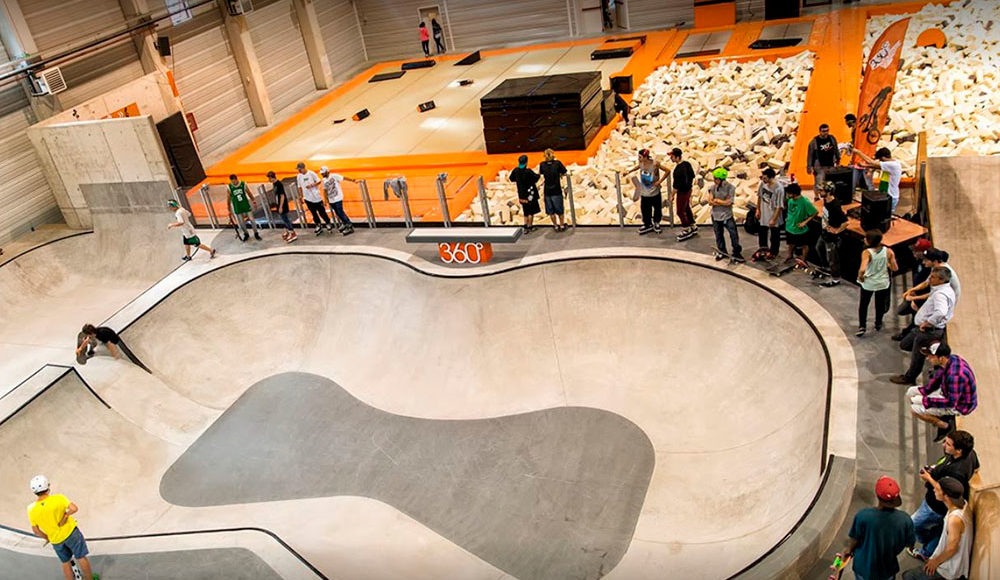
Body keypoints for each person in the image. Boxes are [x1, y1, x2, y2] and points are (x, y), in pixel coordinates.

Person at [907, 430, 979, 561]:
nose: (943, 444)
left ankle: (925, 550)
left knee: (913, 525)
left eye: (948, 444)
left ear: (959, 450)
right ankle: (930, 547)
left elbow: (944, 491)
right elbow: (976, 468)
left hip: (935, 506)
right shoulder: (971, 454)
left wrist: (928, 478)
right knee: (939, 529)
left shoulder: (957, 472)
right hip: (939, 505)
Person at [842, 475, 916, 580]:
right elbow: (910, 544)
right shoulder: (905, 520)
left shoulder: (863, 516)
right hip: (887, 570)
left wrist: (848, 550)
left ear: (878, 496)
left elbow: (854, 539)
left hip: (863, 568)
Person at [891, 267, 956, 385]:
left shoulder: (940, 295)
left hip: (929, 331)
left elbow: (941, 312)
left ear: (941, 280)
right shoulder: (944, 289)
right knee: (905, 344)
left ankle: (909, 378)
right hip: (923, 329)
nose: (929, 278)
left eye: (933, 277)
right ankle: (928, 353)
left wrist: (928, 322)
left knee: (917, 356)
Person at [27, 475, 100, 580]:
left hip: (56, 540)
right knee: (80, 557)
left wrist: (47, 537)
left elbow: (36, 530)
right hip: (71, 533)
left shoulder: (31, 509)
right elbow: (74, 508)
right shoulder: (58, 498)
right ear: (47, 487)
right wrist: (65, 516)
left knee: (65, 562)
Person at [902, 477, 973, 580]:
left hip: (948, 569)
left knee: (908, 576)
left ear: (946, 496)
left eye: (938, 489)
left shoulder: (954, 520)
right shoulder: (963, 504)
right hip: (948, 561)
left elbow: (952, 548)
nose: (934, 489)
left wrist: (935, 562)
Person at [906, 343, 978, 440]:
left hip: (959, 405)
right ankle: (937, 413)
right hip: (947, 392)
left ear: (941, 358)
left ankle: (945, 426)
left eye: (931, 356)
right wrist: (924, 391)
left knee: (915, 410)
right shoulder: (950, 360)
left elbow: (951, 403)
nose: (928, 358)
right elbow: (938, 378)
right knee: (911, 391)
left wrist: (924, 401)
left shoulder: (955, 376)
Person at [856, 229, 898, 337]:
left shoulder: (867, 253)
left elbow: (862, 269)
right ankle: (878, 323)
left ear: (869, 241)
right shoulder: (889, 251)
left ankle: (862, 326)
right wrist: (887, 265)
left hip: (869, 283)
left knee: (864, 304)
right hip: (883, 283)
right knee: (880, 304)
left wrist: (860, 277)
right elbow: (895, 268)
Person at [894, 238, 933, 340]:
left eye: (916, 251)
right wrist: (912, 291)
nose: (914, 253)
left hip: (923, 298)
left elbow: (929, 287)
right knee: (902, 311)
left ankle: (908, 336)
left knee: (917, 318)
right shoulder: (918, 261)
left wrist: (916, 299)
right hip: (915, 294)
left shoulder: (930, 267)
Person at [626, 149, 668, 235]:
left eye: (640, 157)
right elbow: (638, 166)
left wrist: (660, 181)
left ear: (645, 157)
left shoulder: (655, 164)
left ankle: (656, 223)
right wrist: (629, 171)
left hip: (654, 192)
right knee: (645, 209)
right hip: (644, 193)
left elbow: (667, 171)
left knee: (657, 208)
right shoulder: (641, 163)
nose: (639, 159)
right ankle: (647, 224)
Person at [707, 167, 744, 263]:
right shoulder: (712, 188)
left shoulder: (731, 188)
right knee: (718, 235)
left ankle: (736, 251)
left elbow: (729, 202)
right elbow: (710, 201)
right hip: (716, 215)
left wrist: (717, 201)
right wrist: (721, 201)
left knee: (733, 234)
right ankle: (722, 251)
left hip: (727, 216)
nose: (714, 180)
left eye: (716, 179)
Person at [75, 323, 150, 371]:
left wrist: (115, 355)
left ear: (91, 333)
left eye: (88, 334)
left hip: (116, 343)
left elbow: (110, 344)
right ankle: (93, 349)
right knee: (91, 341)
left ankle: (91, 353)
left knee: (98, 349)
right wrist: (80, 348)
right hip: (106, 340)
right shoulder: (96, 331)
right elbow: (87, 340)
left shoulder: (101, 335)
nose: (88, 336)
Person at [854, 146, 903, 213]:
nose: (880, 161)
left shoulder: (892, 165)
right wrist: (865, 166)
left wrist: (858, 152)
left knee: (884, 216)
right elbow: (877, 166)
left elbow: (871, 162)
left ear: (883, 158)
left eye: (880, 160)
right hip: (885, 195)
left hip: (890, 196)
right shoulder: (893, 163)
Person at [817, 181, 848, 287]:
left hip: (832, 238)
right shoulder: (826, 200)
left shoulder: (835, 206)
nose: (819, 192)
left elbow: (845, 222)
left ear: (828, 192)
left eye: (821, 190)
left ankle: (835, 279)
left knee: (832, 259)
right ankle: (826, 268)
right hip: (824, 232)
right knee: (818, 247)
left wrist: (836, 231)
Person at [296, 162, 334, 234]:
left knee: (322, 212)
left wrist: (312, 185)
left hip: (316, 198)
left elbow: (319, 181)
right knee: (313, 213)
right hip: (307, 198)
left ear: (303, 168)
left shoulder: (311, 173)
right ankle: (318, 224)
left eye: (300, 169)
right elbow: (299, 187)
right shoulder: (299, 176)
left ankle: (328, 223)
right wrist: (301, 196)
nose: (299, 170)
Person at [784, 183, 817, 263]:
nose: (787, 195)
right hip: (790, 226)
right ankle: (790, 255)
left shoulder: (805, 202)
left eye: (789, 193)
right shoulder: (790, 200)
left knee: (804, 245)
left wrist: (804, 222)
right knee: (791, 243)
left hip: (800, 229)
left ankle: (803, 259)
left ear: (794, 194)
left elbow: (814, 213)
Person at [754, 168, 784, 259]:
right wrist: (758, 209)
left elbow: (779, 206)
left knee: (774, 235)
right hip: (764, 213)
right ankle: (763, 249)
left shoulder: (779, 189)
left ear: (771, 178)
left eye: (765, 178)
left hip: (773, 214)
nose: (763, 180)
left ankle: (774, 252)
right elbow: (759, 196)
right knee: (762, 232)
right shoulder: (763, 184)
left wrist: (773, 219)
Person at [669, 148, 698, 241]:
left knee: (680, 211)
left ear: (677, 157)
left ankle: (686, 228)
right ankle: (692, 225)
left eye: (672, 156)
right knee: (686, 208)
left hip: (682, 192)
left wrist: (672, 195)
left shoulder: (677, 170)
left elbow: (676, 186)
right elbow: (692, 176)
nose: (671, 158)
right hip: (688, 190)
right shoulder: (687, 164)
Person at [508, 155, 540, 233]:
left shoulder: (516, 171)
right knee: (531, 211)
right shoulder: (528, 171)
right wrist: (539, 174)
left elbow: (511, 178)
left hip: (521, 194)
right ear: (526, 162)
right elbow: (536, 178)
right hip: (530, 195)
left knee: (525, 211)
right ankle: (530, 226)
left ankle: (525, 226)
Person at [320, 166, 356, 236]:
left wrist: (353, 180)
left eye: (323, 173)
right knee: (337, 213)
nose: (322, 174)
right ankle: (345, 223)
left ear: (327, 171)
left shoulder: (334, 176)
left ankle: (349, 225)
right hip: (331, 199)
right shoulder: (324, 180)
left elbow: (343, 178)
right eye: (322, 173)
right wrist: (325, 200)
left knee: (340, 212)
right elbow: (325, 190)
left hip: (338, 198)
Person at [539, 149, 568, 232]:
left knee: (551, 211)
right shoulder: (557, 163)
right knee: (560, 210)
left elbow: (541, 173)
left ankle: (555, 226)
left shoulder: (542, 165)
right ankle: (562, 225)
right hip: (557, 190)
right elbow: (564, 171)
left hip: (547, 191)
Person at [227, 174, 260, 242]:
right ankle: (246, 234)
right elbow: (228, 199)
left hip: (245, 205)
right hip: (237, 207)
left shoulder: (243, 184)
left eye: (234, 181)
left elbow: (249, 193)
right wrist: (229, 210)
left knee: (252, 219)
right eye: (232, 182)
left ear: (236, 179)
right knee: (241, 222)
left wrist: (253, 201)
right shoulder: (229, 187)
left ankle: (256, 233)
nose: (233, 183)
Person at [267, 171, 297, 243]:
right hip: (279, 204)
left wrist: (280, 206)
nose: (268, 180)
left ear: (272, 177)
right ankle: (288, 230)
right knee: (283, 218)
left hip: (282, 204)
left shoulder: (279, 184)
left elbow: (282, 196)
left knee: (285, 219)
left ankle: (292, 233)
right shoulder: (274, 184)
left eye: (269, 178)